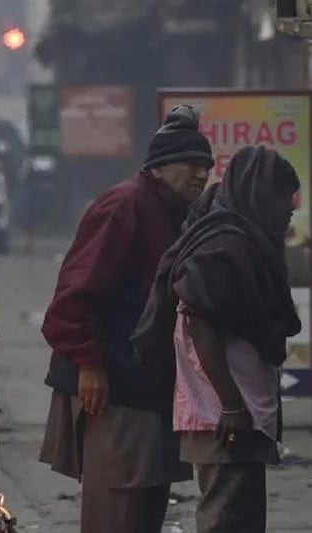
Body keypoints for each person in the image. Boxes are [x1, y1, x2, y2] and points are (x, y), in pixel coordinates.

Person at [38, 105, 215, 533]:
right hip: (111, 384)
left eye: (206, 166)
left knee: (146, 505)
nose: (201, 174)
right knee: (118, 508)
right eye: (191, 164)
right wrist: (89, 364)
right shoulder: (123, 207)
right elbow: (72, 300)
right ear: (159, 167)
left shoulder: (175, 210)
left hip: (146, 382)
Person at [134, 146, 301, 533]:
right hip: (224, 416)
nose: (290, 207)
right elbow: (200, 322)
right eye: (283, 196)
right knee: (227, 520)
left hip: (236, 413)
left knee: (241, 517)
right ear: (258, 194)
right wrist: (231, 404)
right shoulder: (224, 246)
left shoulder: (239, 240)